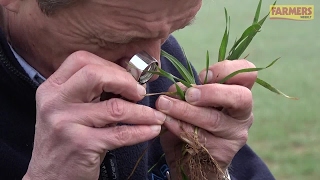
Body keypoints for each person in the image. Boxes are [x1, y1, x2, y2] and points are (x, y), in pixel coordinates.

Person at [0, 0, 275, 179]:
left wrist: (207, 172)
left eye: (172, 32)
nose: (150, 67)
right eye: (114, 38)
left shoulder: (162, 58)